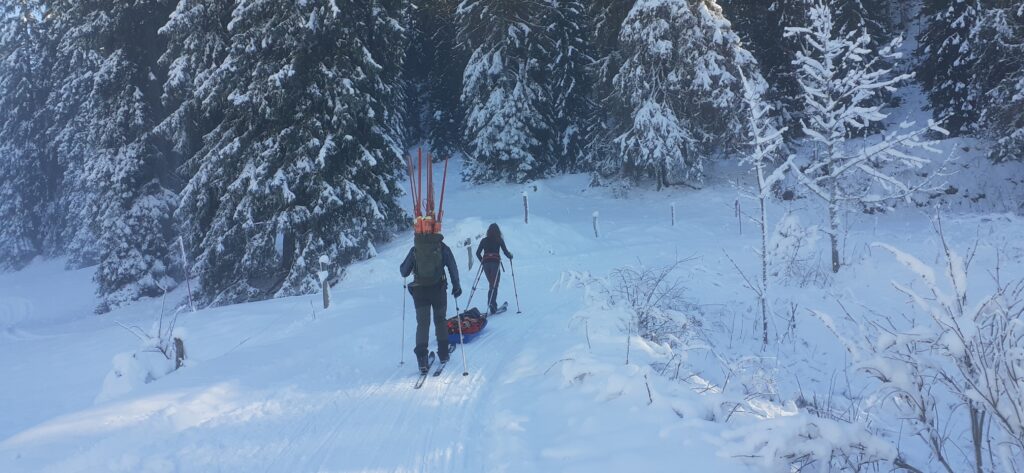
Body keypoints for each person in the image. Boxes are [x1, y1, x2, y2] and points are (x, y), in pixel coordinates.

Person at [400, 232, 461, 373]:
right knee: (440, 320)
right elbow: (452, 266)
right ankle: (444, 354)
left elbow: (404, 271)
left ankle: (422, 360)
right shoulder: (442, 246)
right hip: (438, 290)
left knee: (423, 323)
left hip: (420, 292)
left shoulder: (416, 248)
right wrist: (456, 285)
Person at [475, 223, 513, 314]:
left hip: (486, 264)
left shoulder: (484, 240)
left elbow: (477, 253)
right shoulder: (499, 239)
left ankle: (491, 303)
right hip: (495, 264)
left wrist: (483, 262)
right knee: (494, 284)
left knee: (492, 284)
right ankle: (492, 304)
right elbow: (505, 252)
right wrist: (510, 256)